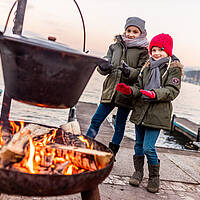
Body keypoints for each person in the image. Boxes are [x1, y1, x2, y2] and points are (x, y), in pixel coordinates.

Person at [116, 33, 183, 192]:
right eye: (153, 49)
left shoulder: (172, 69)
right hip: (141, 111)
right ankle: (138, 172)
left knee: (148, 147)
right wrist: (129, 90)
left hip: (157, 114)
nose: (156, 52)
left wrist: (154, 93)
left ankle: (154, 177)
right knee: (138, 145)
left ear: (167, 51)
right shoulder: (146, 67)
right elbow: (139, 88)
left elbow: (172, 91)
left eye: (161, 49)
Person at [86, 17, 149, 159]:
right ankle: (86, 146)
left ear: (142, 33)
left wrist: (129, 72)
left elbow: (142, 72)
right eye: (129, 30)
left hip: (126, 93)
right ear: (125, 30)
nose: (131, 34)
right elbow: (105, 64)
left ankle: (112, 153)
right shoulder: (114, 47)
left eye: (135, 31)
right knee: (96, 120)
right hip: (110, 90)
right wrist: (102, 67)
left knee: (119, 125)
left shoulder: (143, 52)